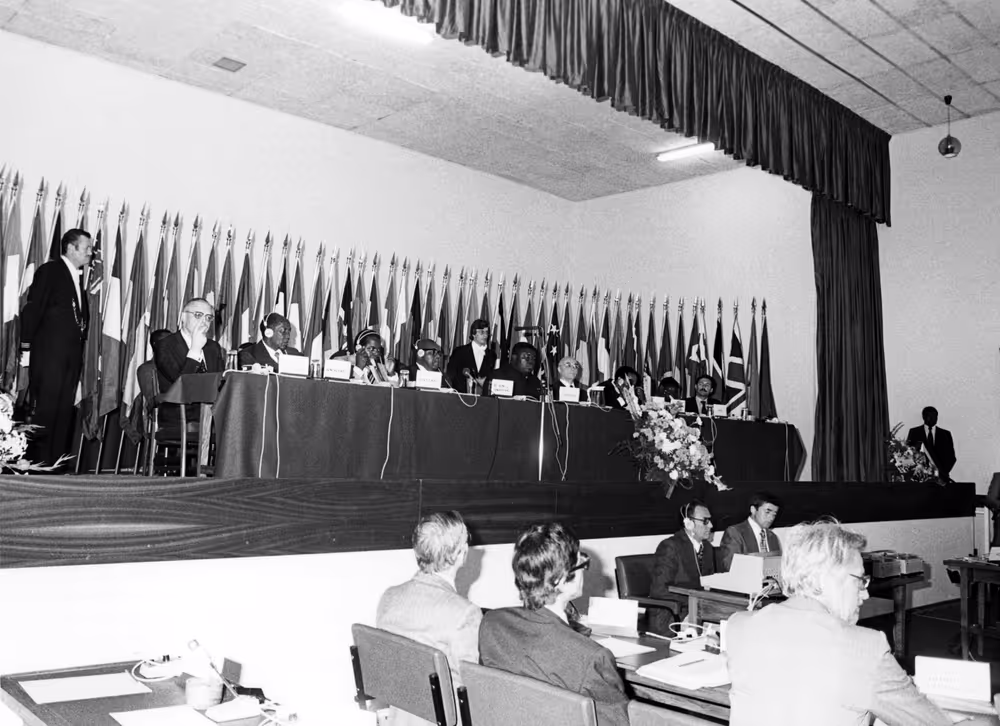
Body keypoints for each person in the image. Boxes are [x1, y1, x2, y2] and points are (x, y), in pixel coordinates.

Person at [726, 520, 976, 726]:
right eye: (859, 580)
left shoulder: (739, 626)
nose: (865, 593)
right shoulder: (866, 647)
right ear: (819, 581)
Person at [479, 522, 630, 726]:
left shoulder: (492, 623)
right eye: (581, 563)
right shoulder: (591, 657)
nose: (585, 567)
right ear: (560, 580)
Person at [376, 511, 482, 726]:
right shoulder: (465, 612)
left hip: (400, 716)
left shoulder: (389, 597)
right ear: (460, 554)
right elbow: (470, 691)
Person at [20, 229, 93, 467]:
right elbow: (34, 308)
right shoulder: (50, 271)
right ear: (71, 248)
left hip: (71, 358)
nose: (91, 253)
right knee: (47, 410)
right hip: (50, 356)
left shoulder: (78, 281)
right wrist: (25, 344)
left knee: (64, 413)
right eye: (87, 248)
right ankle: (37, 465)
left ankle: (55, 465)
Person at [152, 297, 225, 433]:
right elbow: (182, 384)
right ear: (183, 317)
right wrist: (195, 350)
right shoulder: (166, 345)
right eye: (198, 315)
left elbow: (220, 383)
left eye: (209, 318)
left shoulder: (213, 347)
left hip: (210, 413)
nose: (204, 321)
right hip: (179, 414)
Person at [647, 499, 716, 634]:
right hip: (671, 615)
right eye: (705, 521)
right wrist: (695, 599)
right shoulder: (670, 547)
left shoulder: (707, 548)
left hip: (700, 611)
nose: (711, 525)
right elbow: (659, 590)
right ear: (688, 523)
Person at [718, 492, 782, 572]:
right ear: (753, 510)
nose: (771, 518)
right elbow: (730, 566)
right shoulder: (735, 532)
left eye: (774, 514)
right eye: (767, 512)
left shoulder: (773, 536)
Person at [446, 319, 496, 393]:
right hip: (461, 396)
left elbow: (491, 377)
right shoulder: (459, 352)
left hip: (483, 398)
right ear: (473, 333)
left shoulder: (492, 355)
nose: (485, 335)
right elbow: (451, 374)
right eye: (482, 332)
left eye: (487, 332)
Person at [906, 407, 955, 480]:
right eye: (930, 416)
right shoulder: (914, 432)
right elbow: (909, 454)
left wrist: (942, 472)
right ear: (923, 417)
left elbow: (951, 457)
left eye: (935, 416)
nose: (933, 418)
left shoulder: (945, 434)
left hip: (941, 478)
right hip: (920, 479)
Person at [237, 313, 301, 369]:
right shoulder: (249, 355)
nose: (287, 336)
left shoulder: (294, 354)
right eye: (282, 331)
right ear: (268, 333)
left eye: (289, 332)